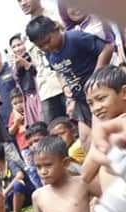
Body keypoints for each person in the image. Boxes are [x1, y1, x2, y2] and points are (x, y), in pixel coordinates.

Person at [26, 14, 114, 146]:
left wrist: (95, 78)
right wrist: (66, 89)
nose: (46, 47)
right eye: (41, 46)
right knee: (85, 140)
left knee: (102, 135)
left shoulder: (74, 38)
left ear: (56, 29)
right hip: (80, 99)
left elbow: (107, 48)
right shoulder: (49, 53)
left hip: (98, 94)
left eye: (48, 41)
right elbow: (59, 72)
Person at [17, 0, 68, 125]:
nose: (22, 3)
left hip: (65, 84)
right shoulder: (27, 29)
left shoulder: (56, 16)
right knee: (55, 132)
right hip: (46, 90)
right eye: (19, 1)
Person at [83, 65, 126, 189]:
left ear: (124, 93)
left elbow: (86, 174)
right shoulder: (104, 130)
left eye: (101, 99)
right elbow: (85, 176)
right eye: (90, 104)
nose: (96, 108)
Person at [9, 34, 44, 125]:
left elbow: (38, 73)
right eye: (14, 47)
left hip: (40, 95)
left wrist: (26, 64)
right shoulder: (14, 65)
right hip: (28, 100)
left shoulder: (34, 56)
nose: (17, 49)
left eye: (19, 45)